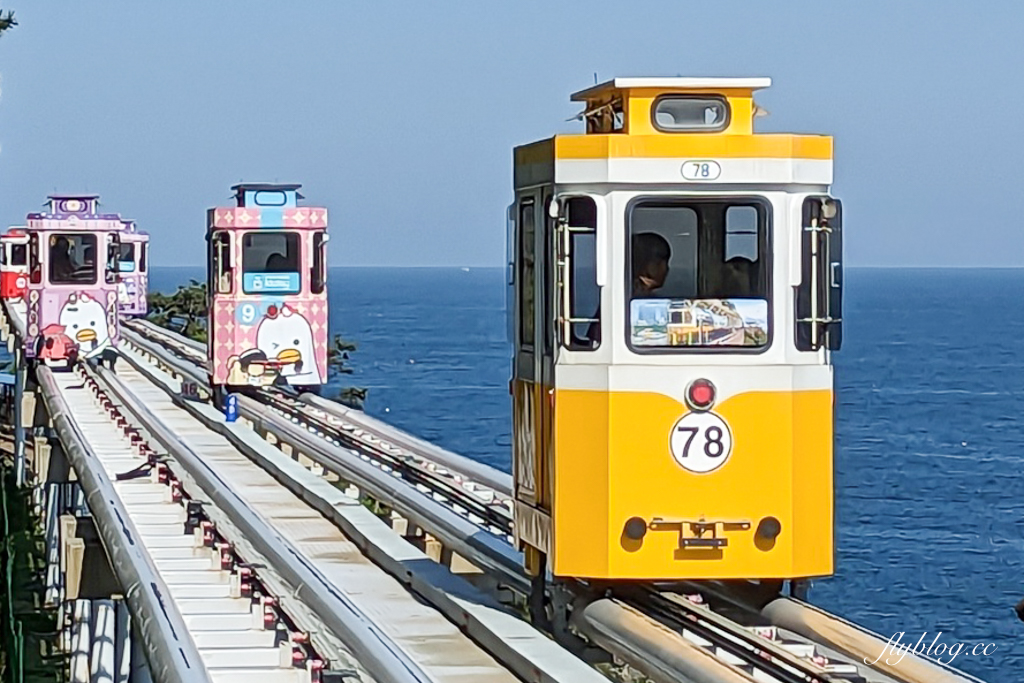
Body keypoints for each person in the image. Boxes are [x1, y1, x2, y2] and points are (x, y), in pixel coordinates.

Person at [585, 232, 672, 345]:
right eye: (662, 262)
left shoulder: (623, 292)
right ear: (648, 264)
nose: (666, 268)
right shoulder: (639, 299)